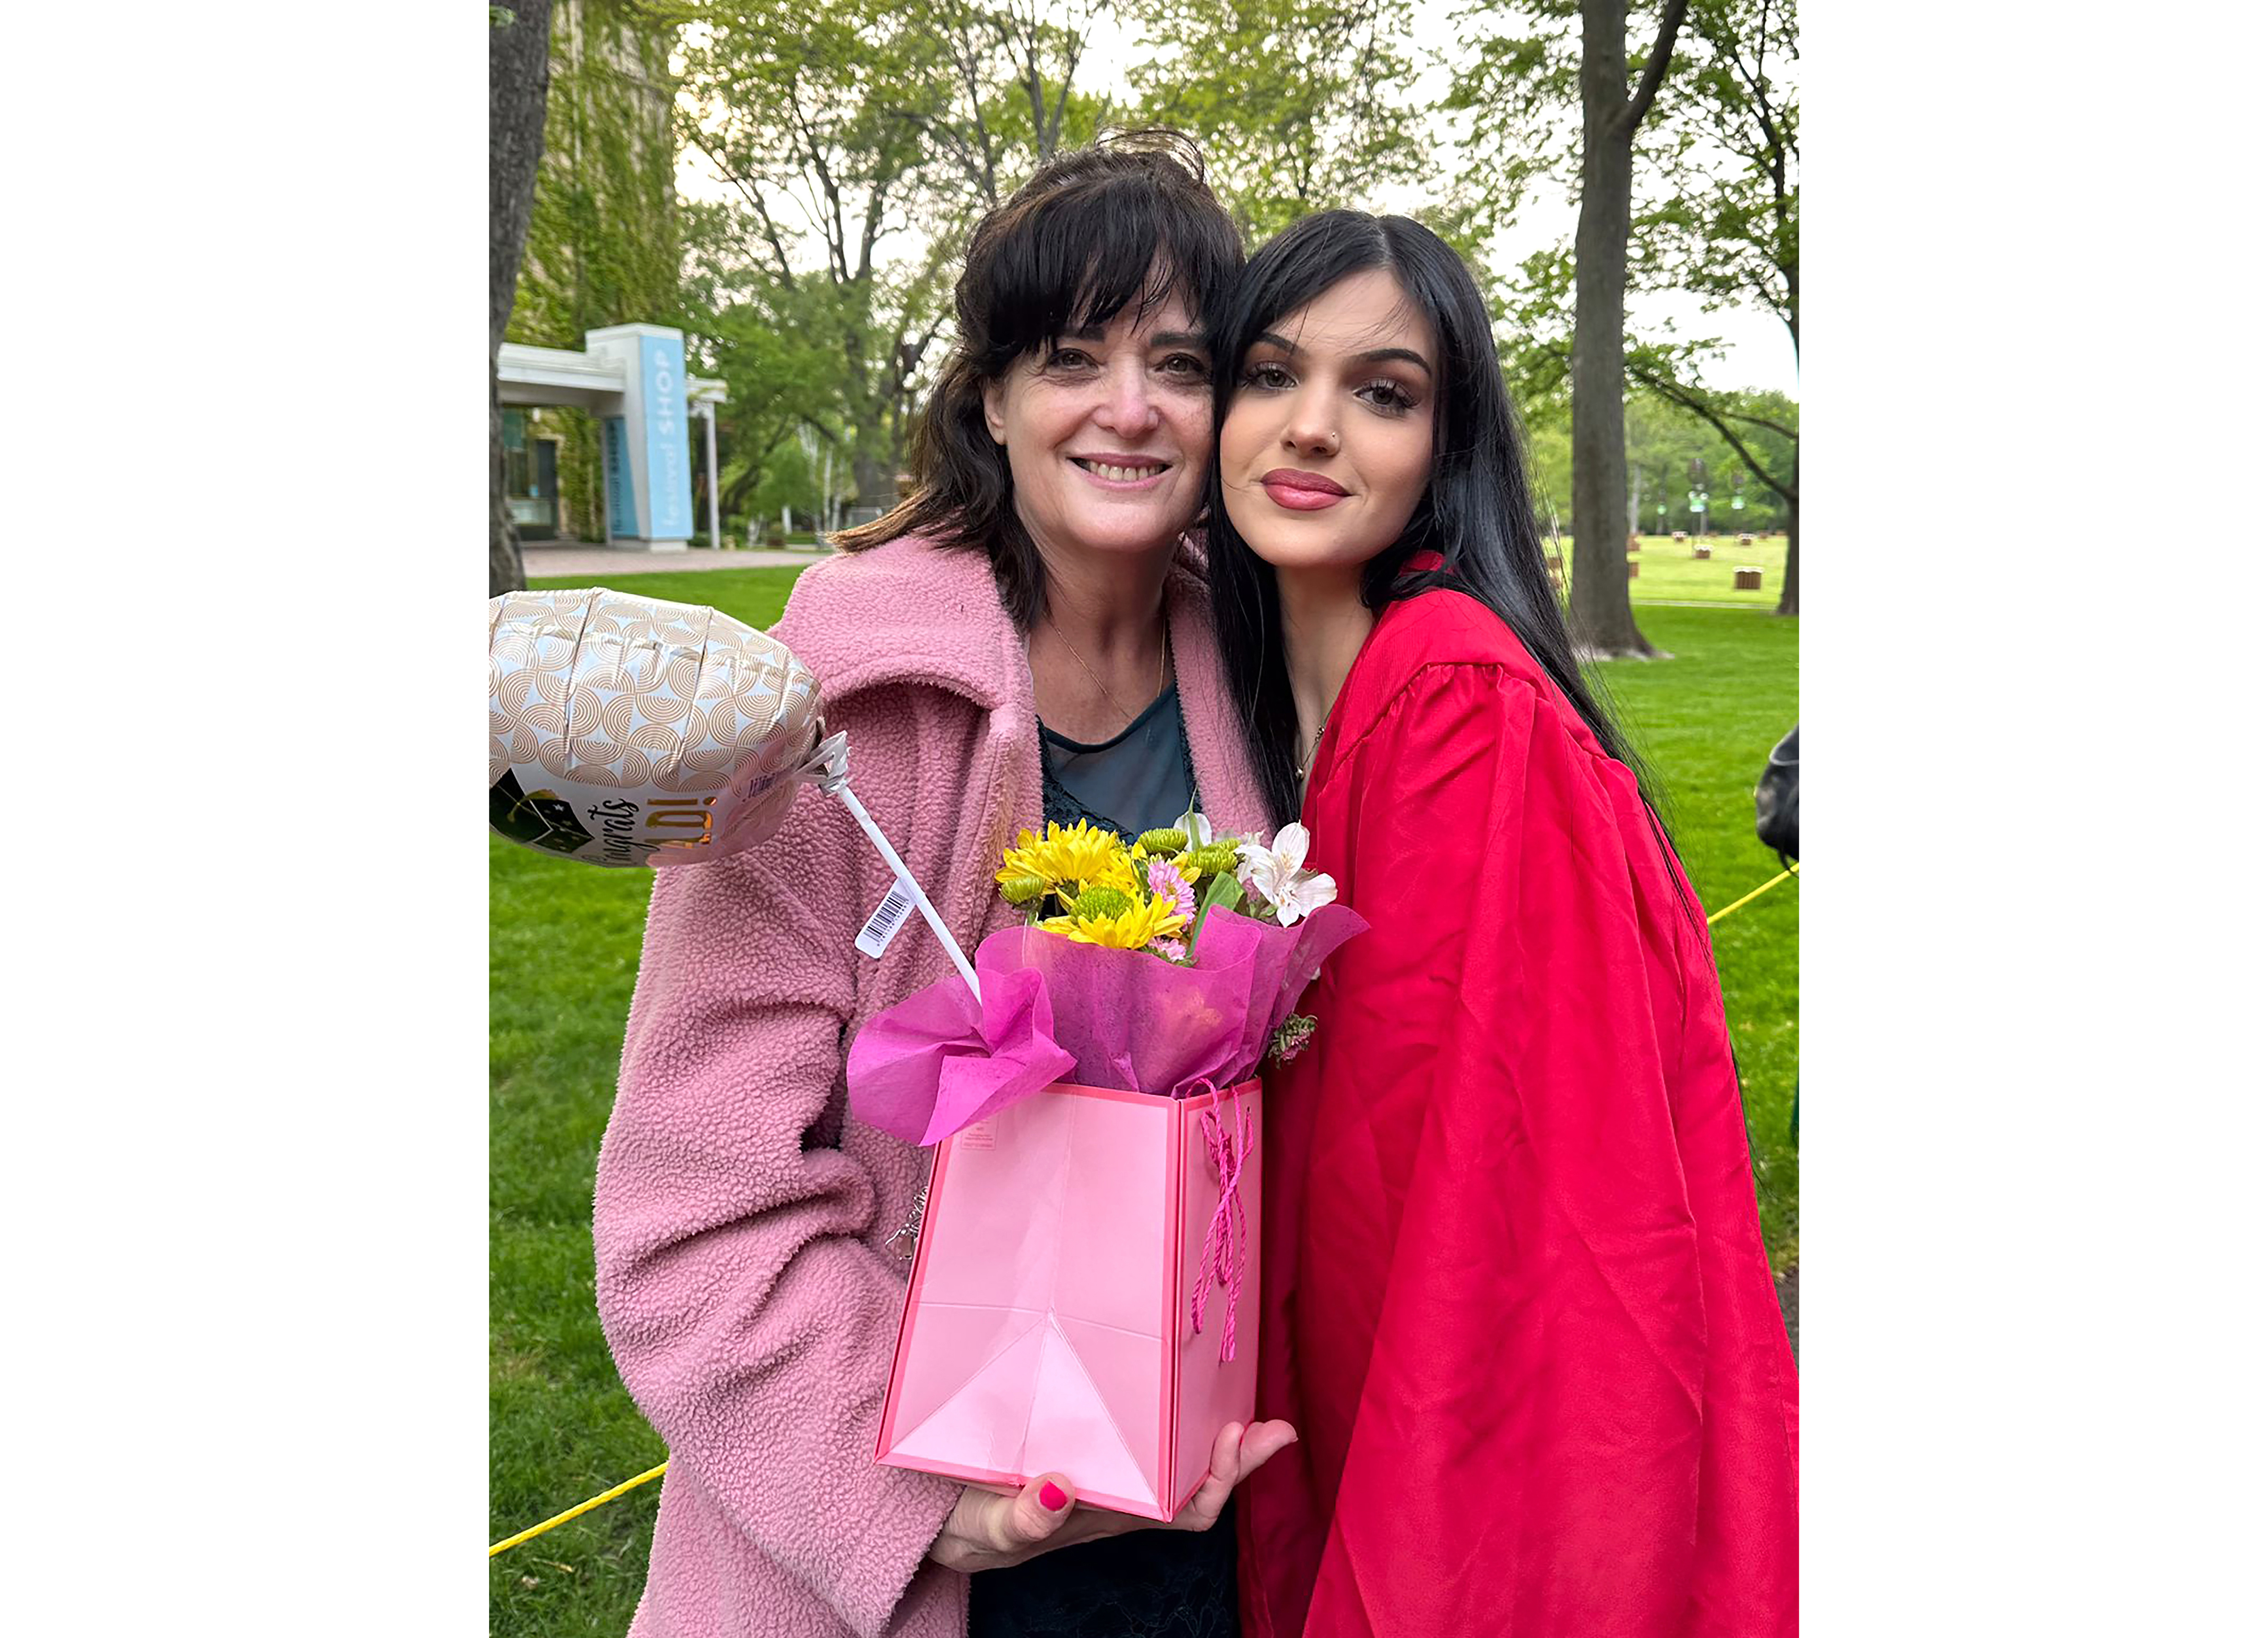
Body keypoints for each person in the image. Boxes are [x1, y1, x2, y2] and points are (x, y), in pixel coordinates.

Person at [592, 134, 1296, 1638]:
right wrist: (925, 1502)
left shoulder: (1263, 682)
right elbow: (697, 1209)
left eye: (1178, 361)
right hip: (913, 1562)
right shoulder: (834, 715)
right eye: (1070, 357)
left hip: (1202, 1532)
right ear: (989, 396)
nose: (1129, 408)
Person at [1204, 211, 1800, 1636]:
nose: (1314, 430)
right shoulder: (1291, 713)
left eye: (1384, 394)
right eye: (1272, 374)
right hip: (1330, 1395)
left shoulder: (1462, 712)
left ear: (1446, 445)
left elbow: (1525, 1221)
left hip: (1475, 1470)